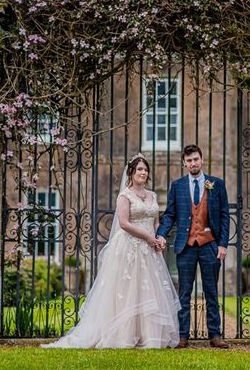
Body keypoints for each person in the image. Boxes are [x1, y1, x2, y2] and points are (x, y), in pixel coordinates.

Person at [41, 154, 180, 348]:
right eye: (139, 169)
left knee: (147, 292)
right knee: (126, 291)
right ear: (131, 172)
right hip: (129, 247)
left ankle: (148, 336)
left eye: (145, 169)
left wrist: (158, 238)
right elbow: (124, 223)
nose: (143, 172)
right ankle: (122, 335)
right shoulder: (125, 195)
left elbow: (156, 222)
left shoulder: (153, 196)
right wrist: (147, 237)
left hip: (149, 250)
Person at [155, 144, 230, 349]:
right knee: (184, 293)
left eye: (196, 159)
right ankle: (182, 336)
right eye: (189, 160)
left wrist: (222, 244)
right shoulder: (177, 186)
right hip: (185, 246)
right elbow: (170, 214)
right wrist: (161, 234)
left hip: (210, 245)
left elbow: (224, 216)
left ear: (202, 160)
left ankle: (215, 335)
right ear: (184, 163)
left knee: (211, 291)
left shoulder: (217, 184)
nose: (193, 163)